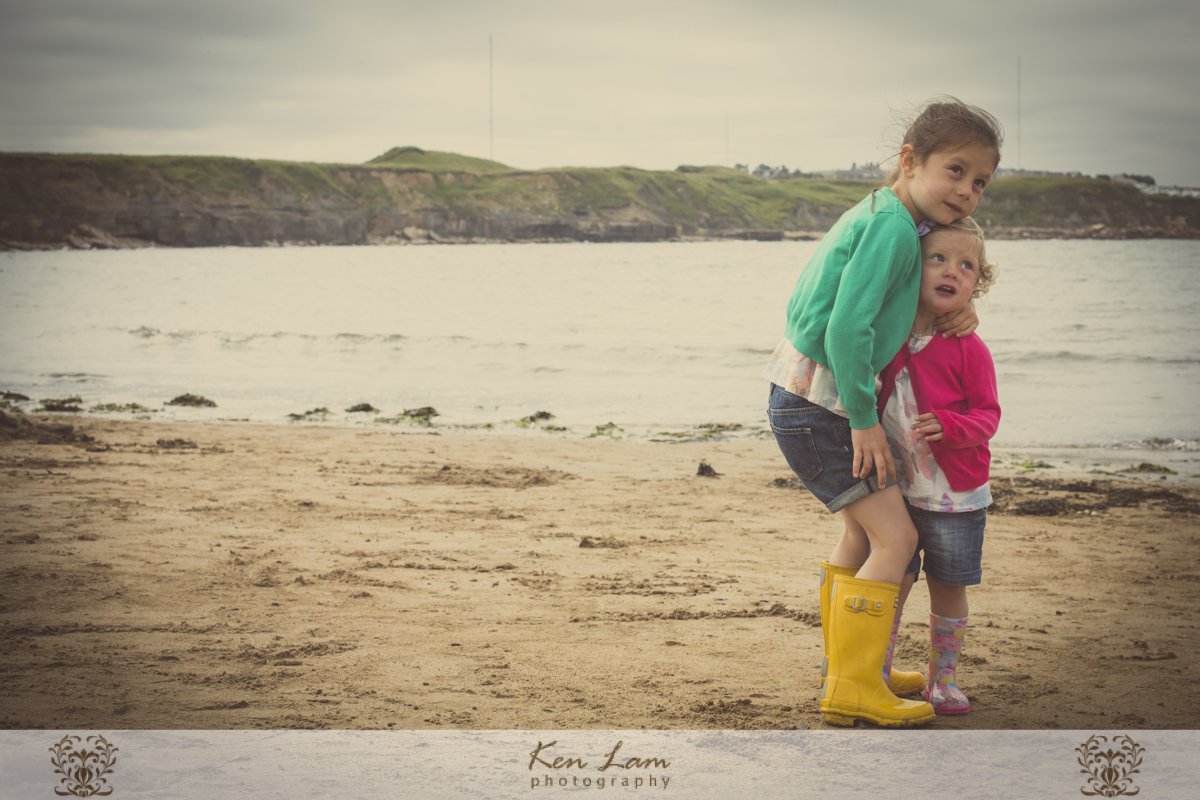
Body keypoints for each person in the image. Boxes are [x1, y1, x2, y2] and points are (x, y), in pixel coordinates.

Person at [763, 97, 1002, 727]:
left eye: (980, 182)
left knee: (861, 532)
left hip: (802, 394)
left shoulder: (884, 213)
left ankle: (851, 669)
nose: (967, 190)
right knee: (897, 536)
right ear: (910, 160)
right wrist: (865, 420)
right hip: (825, 406)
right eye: (955, 171)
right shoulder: (895, 227)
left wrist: (960, 310)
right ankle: (852, 688)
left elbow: (925, 281)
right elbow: (847, 329)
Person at [876, 216, 1000, 715]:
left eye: (967, 266)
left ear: (976, 284)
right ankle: (876, 670)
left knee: (948, 586)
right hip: (896, 490)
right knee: (893, 581)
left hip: (957, 494)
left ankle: (942, 679)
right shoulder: (890, 333)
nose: (952, 271)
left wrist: (950, 425)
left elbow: (988, 416)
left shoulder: (969, 346)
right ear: (913, 268)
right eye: (939, 259)